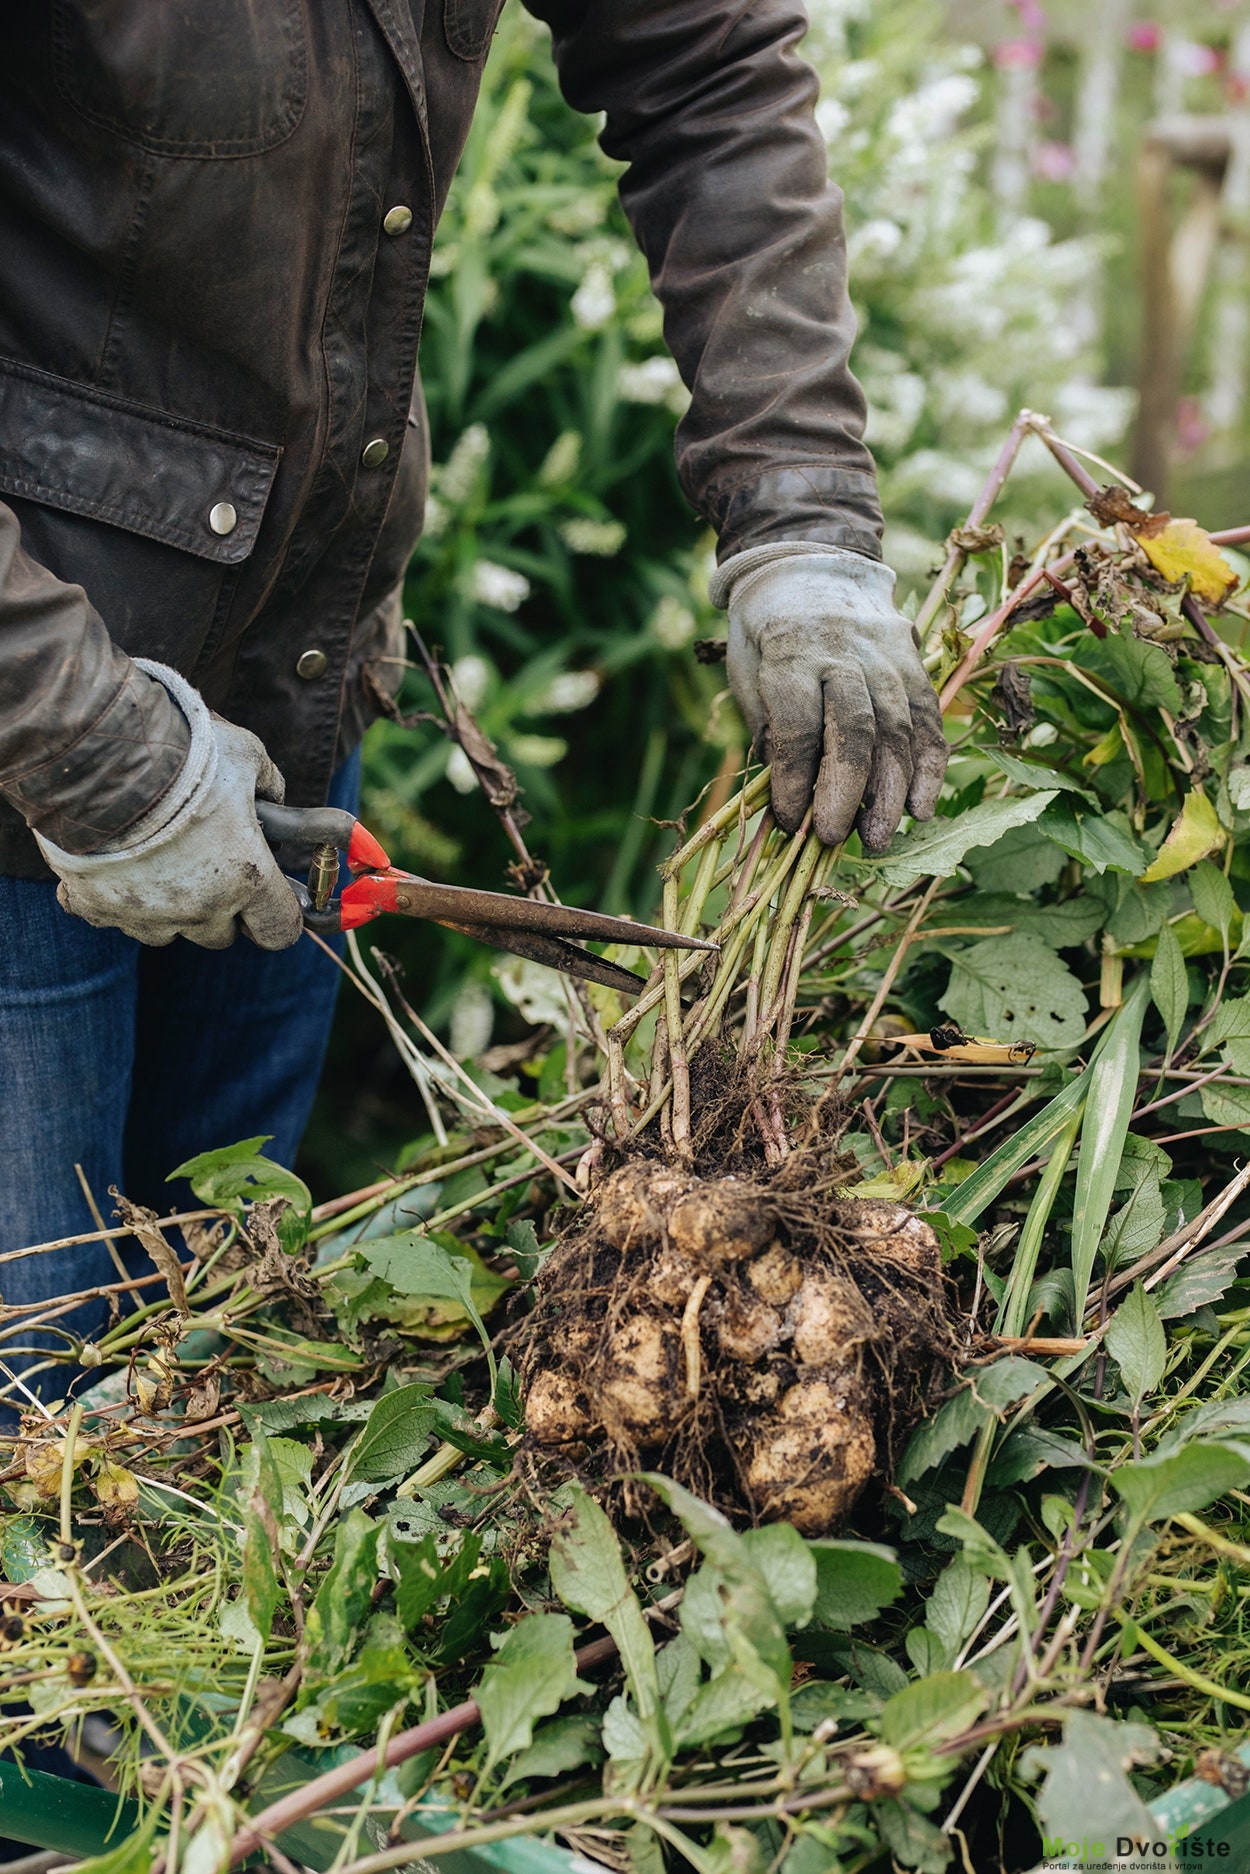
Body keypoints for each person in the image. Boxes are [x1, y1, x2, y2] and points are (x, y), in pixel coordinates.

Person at [0, 1, 947, 1350]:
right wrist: (86, 747)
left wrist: (801, 519)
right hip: (23, 716)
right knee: (33, 1402)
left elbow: (703, 63)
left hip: (287, 693)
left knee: (201, 1367)